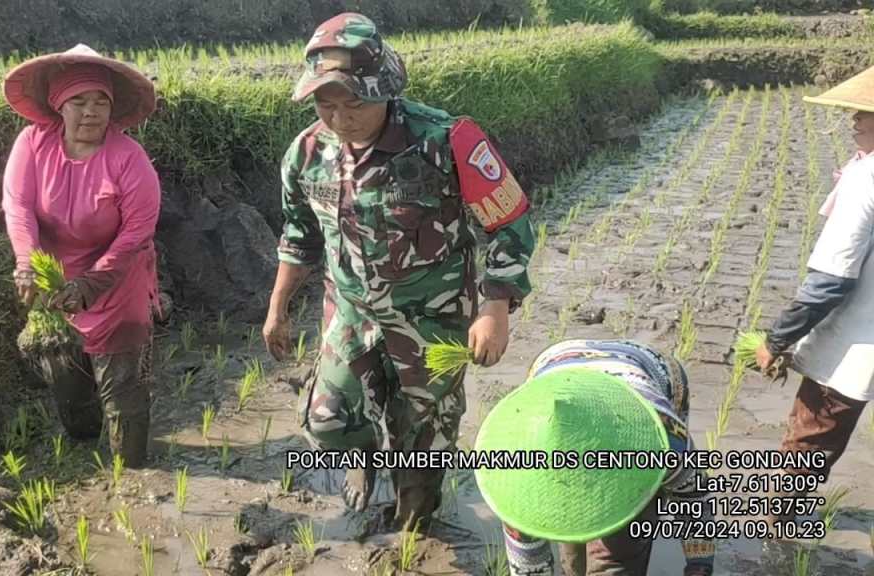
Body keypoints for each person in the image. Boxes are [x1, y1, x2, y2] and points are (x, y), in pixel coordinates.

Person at [262, 13, 537, 532]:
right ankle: (365, 456)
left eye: (355, 103)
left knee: (424, 438)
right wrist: (277, 308)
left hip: (431, 318)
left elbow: (511, 223)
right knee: (329, 422)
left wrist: (495, 307)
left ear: (385, 88)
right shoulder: (306, 153)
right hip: (351, 313)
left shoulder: (445, 141)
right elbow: (298, 235)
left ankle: (415, 519)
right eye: (327, 104)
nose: (341, 118)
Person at [1, 44, 161, 467]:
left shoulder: (129, 159)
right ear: (58, 105)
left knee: (123, 393)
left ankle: (132, 471)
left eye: (101, 102)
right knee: (69, 392)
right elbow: (18, 208)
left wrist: (92, 283)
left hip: (117, 282)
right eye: (79, 101)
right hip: (55, 289)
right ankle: (83, 456)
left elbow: (137, 232)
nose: (91, 112)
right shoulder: (33, 145)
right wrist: (26, 263)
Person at [474, 339, 715, 576]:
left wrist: (699, 566)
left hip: (650, 369)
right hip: (558, 361)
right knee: (570, 550)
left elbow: (693, 497)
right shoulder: (513, 480)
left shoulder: (664, 441)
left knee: (621, 550)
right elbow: (529, 562)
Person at [753, 67, 873, 525]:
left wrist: (776, 340)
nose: (853, 119)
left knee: (809, 440)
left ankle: (777, 537)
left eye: (865, 112)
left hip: (854, 342)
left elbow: (832, 279)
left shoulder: (866, 179)